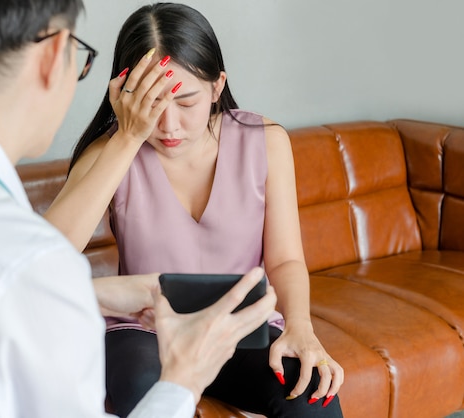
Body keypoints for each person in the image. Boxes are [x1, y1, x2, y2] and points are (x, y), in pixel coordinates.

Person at [0, 1, 278, 417]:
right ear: (53, 55)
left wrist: (94, 292)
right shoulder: (29, 261)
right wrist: (183, 378)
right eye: (78, 55)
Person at [44, 3, 345, 417]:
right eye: (152, 104)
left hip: (240, 328)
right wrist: (128, 137)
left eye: (186, 102)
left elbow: (287, 259)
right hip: (145, 333)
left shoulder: (267, 141)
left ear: (218, 86)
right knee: (143, 391)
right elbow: (44, 259)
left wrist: (300, 327)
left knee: (313, 397)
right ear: (126, 96)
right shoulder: (113, 151)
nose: (168, 126)